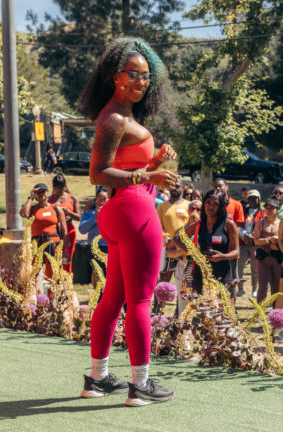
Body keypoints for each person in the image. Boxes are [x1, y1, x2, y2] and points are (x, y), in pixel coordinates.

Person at [81, 37, 178, 405]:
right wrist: (146, 178)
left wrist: (152, 164)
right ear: (115, 76)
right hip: (134, 211)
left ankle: (98, 378)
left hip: (123, 211)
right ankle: (140, 386)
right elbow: (97, 173)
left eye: (146, 76)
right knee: (140, 300)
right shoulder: (114, 118)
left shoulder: (123, 114)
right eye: (132, 74)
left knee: (115, 298)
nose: (140, 81)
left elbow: (127, 166)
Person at [168, 191, 240, 302]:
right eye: (208, 202)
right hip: (201, 273)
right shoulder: (199, 224)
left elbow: (236, 252)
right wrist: (190, 252)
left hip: (223, 272)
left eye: (215, 204)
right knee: (204, 313)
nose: (210, 207)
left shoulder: (228, 224)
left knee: (225, 312)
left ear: (220, 206)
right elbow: (176, 237)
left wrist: (222, 256)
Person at [20, 183, 70, 278]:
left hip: (53, 245)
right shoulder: (32, 209)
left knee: (54, 276)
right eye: (38, 192)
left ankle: (54, 293)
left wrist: (66, 250)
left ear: (47, 192)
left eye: (43, 191)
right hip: (36, 246)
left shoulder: (56, 209)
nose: (41, 194)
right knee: (32, 274)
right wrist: (31, 197)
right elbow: (24, 214)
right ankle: (32, 292)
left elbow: (65, 232)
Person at [213, 178, 245, 295]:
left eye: (220, 186)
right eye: (215, 187)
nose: (218, 188)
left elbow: (239, 226)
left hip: (231, 249)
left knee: (232, 280)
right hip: (216, 248)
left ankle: (232, 306)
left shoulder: (236, 204)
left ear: (227, 186)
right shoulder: (213, 205)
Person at [156, 182, 190, 285]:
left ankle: (181, 302)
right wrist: (167, 239)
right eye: (171, 186)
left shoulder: (189, 205)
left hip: (184, 249)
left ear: (183, 187)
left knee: (184, 285)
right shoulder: (162, 206)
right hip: (167, 248)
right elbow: (158, 226)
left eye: (177, 186)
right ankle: (160, 302)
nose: (174, 188)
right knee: (162, 283)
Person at [253, 196, 283, 303]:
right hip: (264, 258)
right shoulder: (261, 223)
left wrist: (279, 241)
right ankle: (259, 310)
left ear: (277, 210)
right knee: (263, 285)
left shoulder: (281, 224)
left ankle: (276, 312)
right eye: (267, 208)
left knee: (276, 287)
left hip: (278, 259)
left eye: (272, 208)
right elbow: (256, 241)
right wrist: (268, 239)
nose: (269, 210)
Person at [49, 173, 81, 272]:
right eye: (57, 189)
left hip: (69, 231)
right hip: (55, 232)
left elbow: (79, 217)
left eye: (61, 188)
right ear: (53, 187)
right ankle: (56, 284)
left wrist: (68, 212)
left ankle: (67, 284)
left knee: (67, 259)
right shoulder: (49, 199)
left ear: (65, 186)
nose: (59, 191)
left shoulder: (72, 198)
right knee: (55, 260)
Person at [79, 188, 109, 291]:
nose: (102, 201)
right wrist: (95, 217)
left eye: (104, 199)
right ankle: (98, 295)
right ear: (95, 199)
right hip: (94, 246)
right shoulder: (89, 213)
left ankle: (108, 295)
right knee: (96, 271)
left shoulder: (112, 212)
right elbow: (82, 230)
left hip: (110, 246)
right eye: (99, 199)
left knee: (110, 272)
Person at [238, 189, 263, 297]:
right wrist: (244, 235)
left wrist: (254, 236)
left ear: (259, 199)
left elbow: (263, 227)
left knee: (255, 268)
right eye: (250, 198)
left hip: (255, 244)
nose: (252, 200)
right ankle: (240, 288)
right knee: (239, 266)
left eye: (254, 198)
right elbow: (238, 224)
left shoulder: (262, 213)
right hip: (243, 243)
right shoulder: (243, 211)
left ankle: (254, 289)